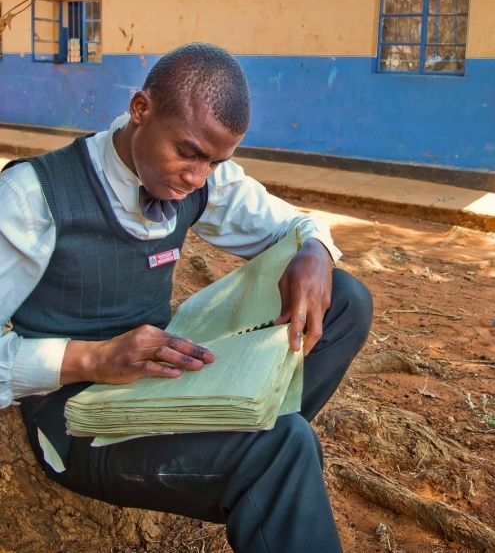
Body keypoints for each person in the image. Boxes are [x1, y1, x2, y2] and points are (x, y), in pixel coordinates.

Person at [0, 43, 373, 552]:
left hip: (161, 379)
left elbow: (293, 222)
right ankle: (258, 461)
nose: (197, 177)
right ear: (140, 109)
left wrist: (314, 251)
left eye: (215, 162)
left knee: (347, 298)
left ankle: (243, 444)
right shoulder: (31, 198)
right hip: (78, 419)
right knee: (284, 447)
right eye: (189, 153)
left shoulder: (202, 179)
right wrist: (92, 357)